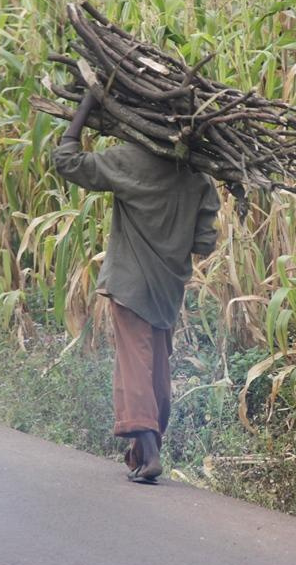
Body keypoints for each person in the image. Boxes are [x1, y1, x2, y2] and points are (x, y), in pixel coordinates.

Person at [52, 92, 220, 484]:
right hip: (167, 291)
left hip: (130, 286)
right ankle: (143, 451)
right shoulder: (199, 179)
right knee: (157, 369)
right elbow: (204, 244)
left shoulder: (129, 160)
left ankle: (150, 451)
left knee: (134, 368)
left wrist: (86, 108)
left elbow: (66, 161)